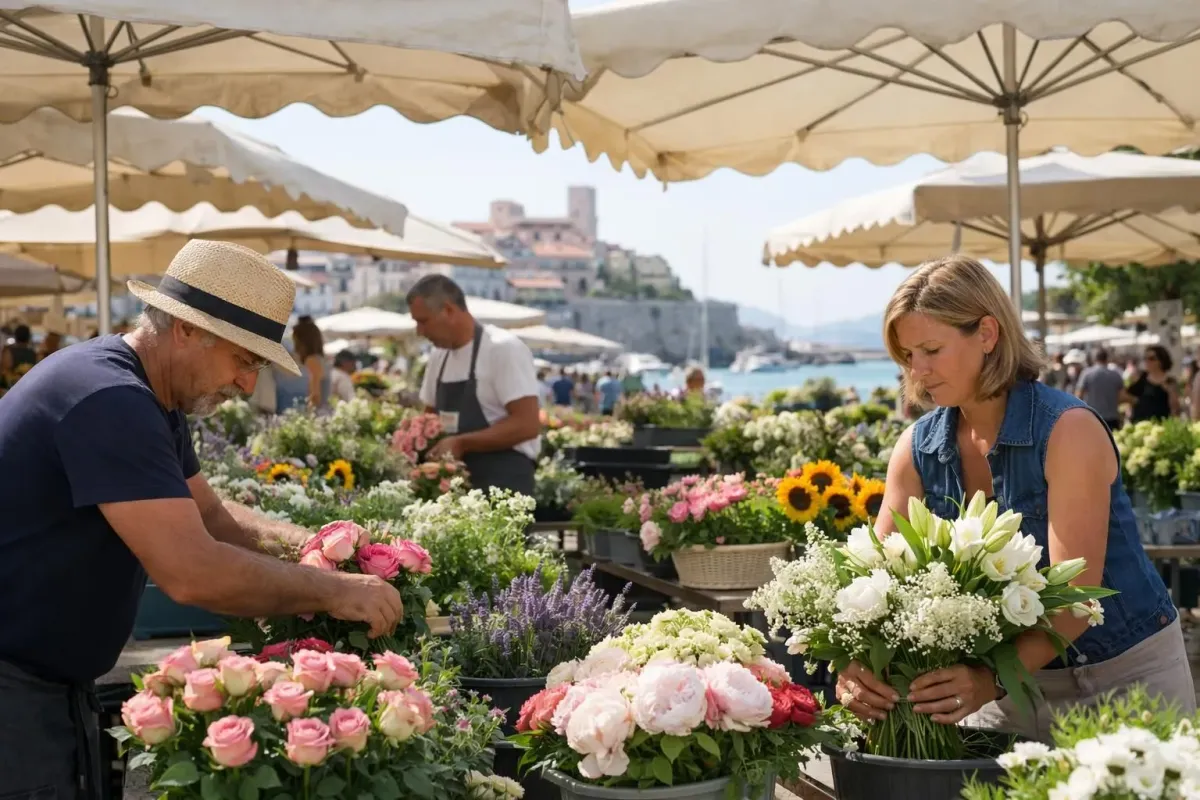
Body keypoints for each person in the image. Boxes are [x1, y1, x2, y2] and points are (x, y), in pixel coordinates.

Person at [0, 240, 404, 799]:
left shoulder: (148, 396)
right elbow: (192, 572)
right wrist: (332, 589)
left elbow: (210, 514)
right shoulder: (108, 397)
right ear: (187, 329)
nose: (246, 384)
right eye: (243, 360)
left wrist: (312, 544)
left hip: (42, 687)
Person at [835, 254, 1192, 744]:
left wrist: (990, 679)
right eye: (907, 356)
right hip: (999, 694)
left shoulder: (1068, 431)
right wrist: (855, 663)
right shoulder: (915, 450)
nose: (917, 371)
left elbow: (1077, 598)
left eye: (931, 349)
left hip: (1120, 681)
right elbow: (871, 583)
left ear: (986, 333)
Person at [408, 274, 541, 496]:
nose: (420, 332)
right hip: (451, 486)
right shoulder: (438, 357)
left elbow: (527, 424)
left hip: (503, 482)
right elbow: (430, 417)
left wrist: (461, 443)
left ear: (449, 310)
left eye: (423, 321)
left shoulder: (502, 349)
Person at [1121, 345, 1179, 423]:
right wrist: (1138, 401)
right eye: (1145, 358)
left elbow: (1175, 408)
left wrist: (1170, 392)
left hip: (1160, 424)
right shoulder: (1140, 378)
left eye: (1151, 358)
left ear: (1161, 361)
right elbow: (1124, 395)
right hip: (1140, 423)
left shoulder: (1170, 381)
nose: (1147, 361)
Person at [1075, 347, 1126, 430]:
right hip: (1112, 418)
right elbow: (1122, 397)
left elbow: (1078, 396)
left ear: (1094, 358)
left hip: (1092, 417)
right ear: (1107, 359)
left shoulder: (1087, 374)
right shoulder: (1115, 375)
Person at [291, 315, 329, 408]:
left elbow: (315, 395)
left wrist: (308, 413)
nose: (295, 347)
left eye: (296, 341)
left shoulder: (312, 360)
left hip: (318, 414)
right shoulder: (320, 359)